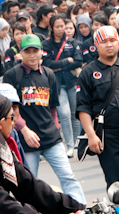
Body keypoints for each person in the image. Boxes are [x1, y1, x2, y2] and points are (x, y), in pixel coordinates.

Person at [0, 91, 85, 214]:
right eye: (11, 117)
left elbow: (31, 188)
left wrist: (76, 207)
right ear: (1, 123)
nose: (13, 123)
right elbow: (1, 204)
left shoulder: (1, 153)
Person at [3, 34, 86, 204]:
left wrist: (55, 125)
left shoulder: (48, 74)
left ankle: (80, 206)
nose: (32, 55)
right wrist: (24, 130)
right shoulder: (12, 75)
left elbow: (53, 105)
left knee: (67, 176)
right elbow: (9, 110)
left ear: (41, 51)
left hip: (50, 137)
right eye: (28, 52)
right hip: (26, 139)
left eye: (36, 51)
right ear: (21, 53)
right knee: (28, 183)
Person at [77, 26, 119, 188]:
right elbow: (83, 108)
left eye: (112, 41)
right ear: (96, 45)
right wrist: (91, 135)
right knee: (116, 180)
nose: (109, 45)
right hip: (108, 136)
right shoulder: (88, 73)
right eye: (104, 42)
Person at [41, 14, 83, 157]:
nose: (60, 29)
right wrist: (66, 62)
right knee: (64, 114)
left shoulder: (72, 42)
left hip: (72, 81)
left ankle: (77, 142)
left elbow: (78, 61)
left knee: (74, 113)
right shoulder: (46, 44)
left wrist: (58, 66)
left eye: (62, 26)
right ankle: (70, 145)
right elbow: (48, 64)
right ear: (51, 28)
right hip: (56, 85)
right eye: (57, 26)